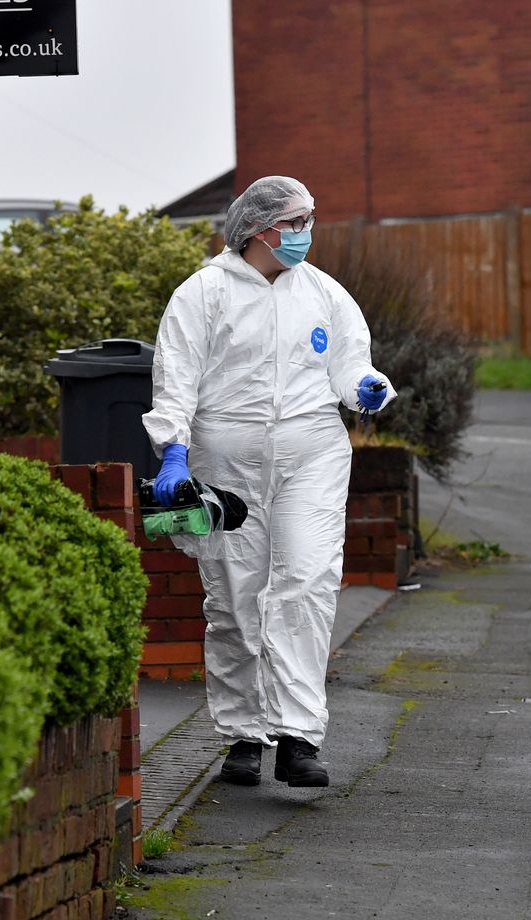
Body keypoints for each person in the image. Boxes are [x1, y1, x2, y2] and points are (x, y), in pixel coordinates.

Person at [143, 176, 396, 789]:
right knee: (234, 598)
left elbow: (349, 362)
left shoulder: (325, 295)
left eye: (310, 219)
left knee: (306, 583)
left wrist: (366, 386)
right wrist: (172, 451)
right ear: (259, 229)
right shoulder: (203, 294)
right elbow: (175, 376)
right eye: (296, 221)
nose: (306, 232)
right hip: (225, 462)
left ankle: (298, 735)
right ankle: (241, 733)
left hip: (312, 454)